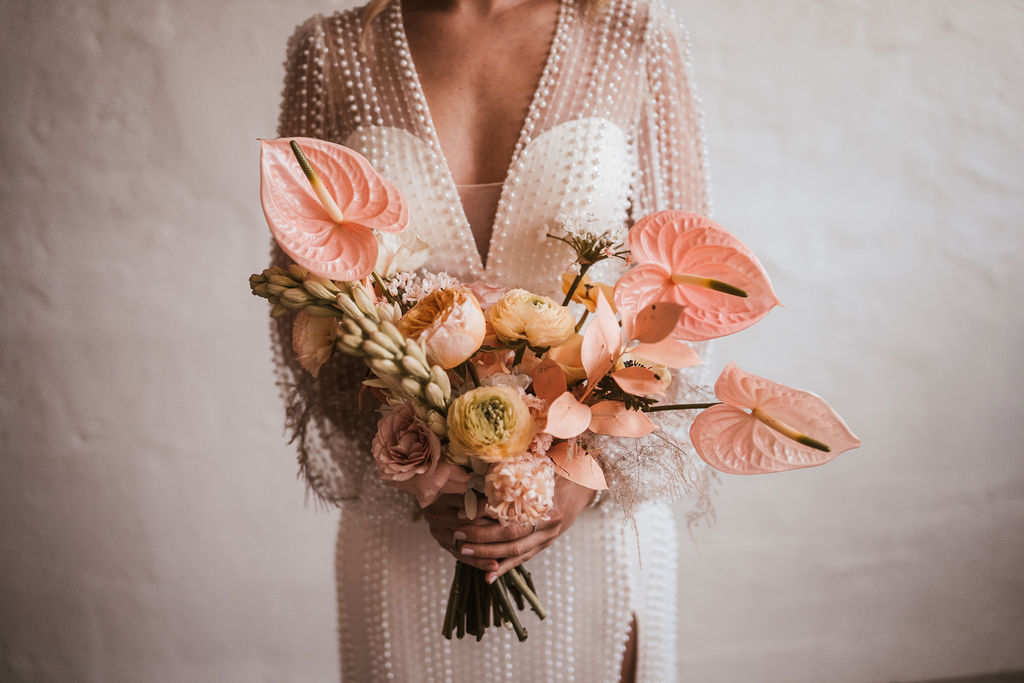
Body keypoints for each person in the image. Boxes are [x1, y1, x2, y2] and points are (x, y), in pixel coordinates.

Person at [269, 0, 715, 679]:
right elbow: (299, 298)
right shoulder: (331, 51)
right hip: (410, 531)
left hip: (588, 522)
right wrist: (420, 467)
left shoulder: (635, 34)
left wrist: (576, 477)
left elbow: (680, 288)